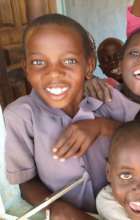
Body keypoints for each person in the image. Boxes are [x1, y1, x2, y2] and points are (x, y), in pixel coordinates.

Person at [4, 14, 121, 219]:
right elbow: (25, 181)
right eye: (39, 61)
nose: (54, 73)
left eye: (69, 60)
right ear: (26, 68)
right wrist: (58, 209)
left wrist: (101, 127)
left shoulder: (106, 97)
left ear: (89, 66)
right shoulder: (20, 116)